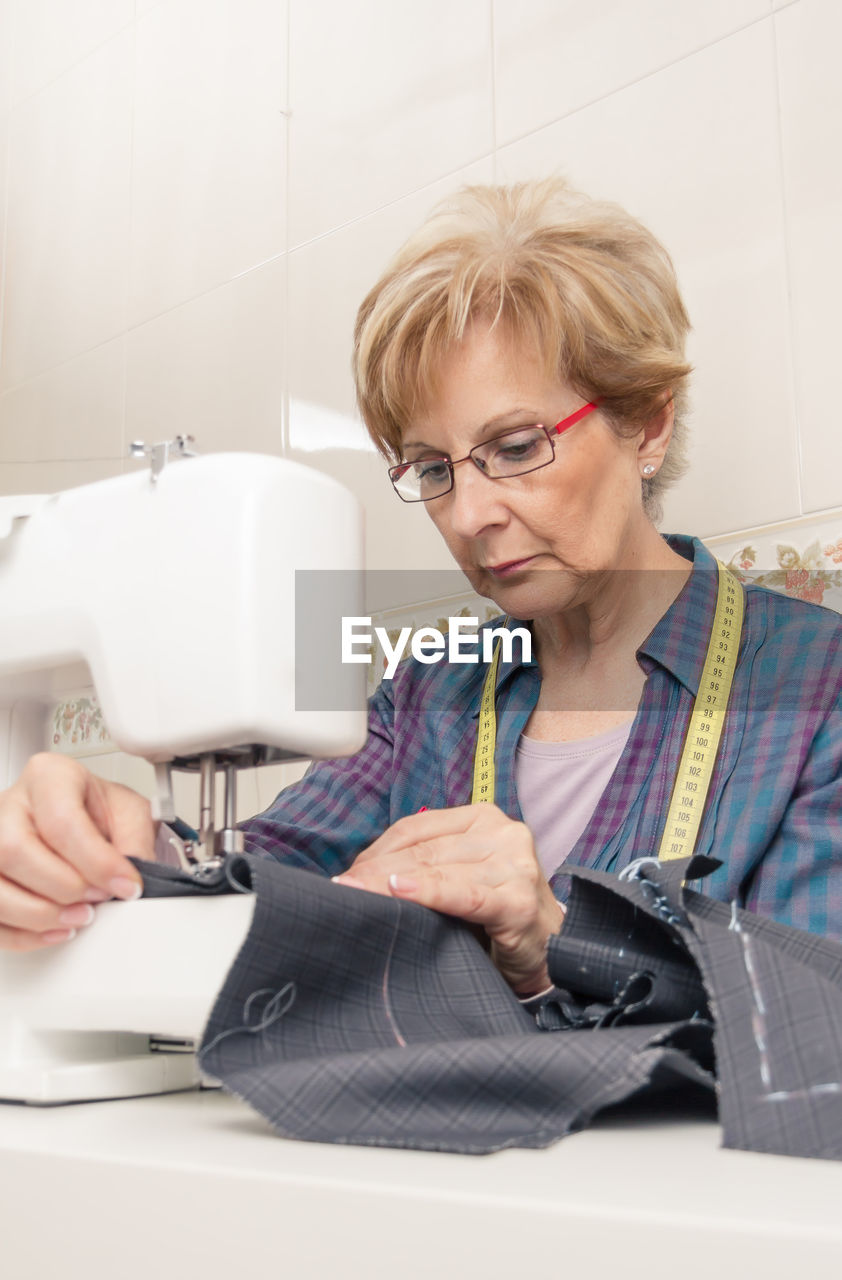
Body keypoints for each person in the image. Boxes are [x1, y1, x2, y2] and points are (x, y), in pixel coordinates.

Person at [1, 179, 840, 995]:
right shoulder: (427, 695)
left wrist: (557, 948)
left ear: (646, 422)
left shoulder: (818, 691)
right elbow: (263, 881)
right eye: (433, 469)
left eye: (515, 447)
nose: (469, 513)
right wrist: (117, 847)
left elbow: (816, 1006)